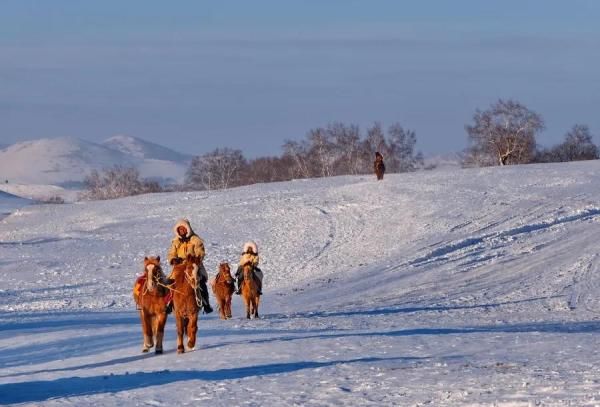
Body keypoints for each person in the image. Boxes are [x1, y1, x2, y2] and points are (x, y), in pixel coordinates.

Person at [166, 218, 213, 314]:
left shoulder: (195, 240)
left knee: (200, 281)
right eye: (179, 229)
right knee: (170, 282)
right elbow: (171, 253)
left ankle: (205, 303)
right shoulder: (175, 242)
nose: (181, 231)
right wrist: (174, 259)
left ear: (188, 229)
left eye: (183, 229)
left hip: (193, 265)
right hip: (179, 266)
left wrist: (196, 258)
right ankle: (169, 303)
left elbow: (200, 251)